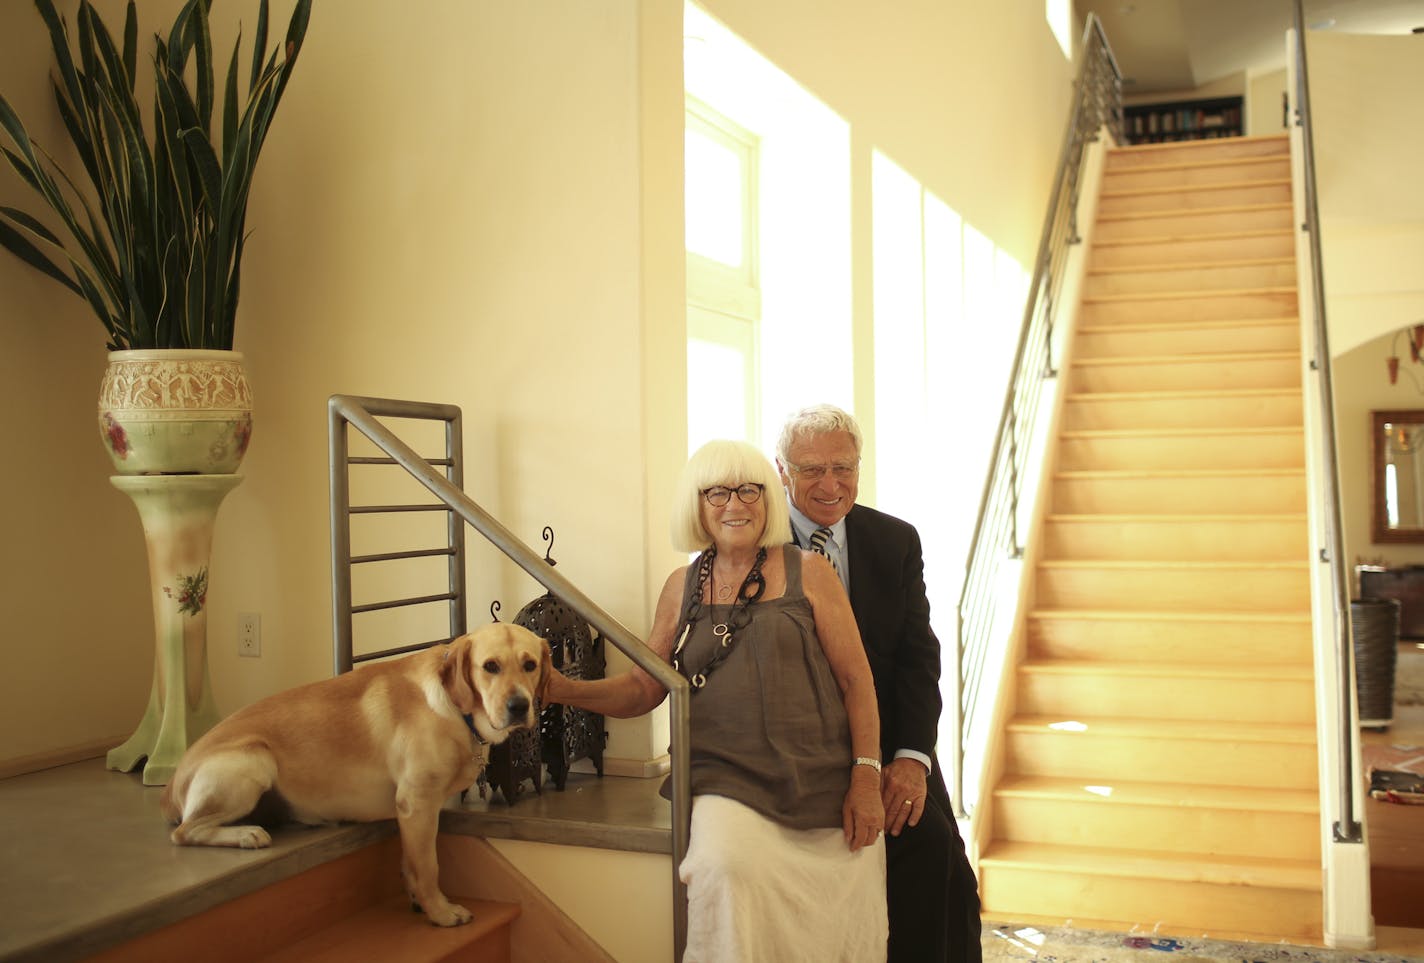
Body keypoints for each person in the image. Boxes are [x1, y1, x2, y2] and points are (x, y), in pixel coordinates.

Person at [545, 439, 889, 962]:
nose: (735, 504)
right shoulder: (680, 586)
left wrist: (866, 777)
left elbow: (856, 682)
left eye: (749, 490)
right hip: (723, 777)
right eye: (717, 492)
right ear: (696, 506)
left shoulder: (810, 572)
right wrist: (563, 689)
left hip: (821, 776)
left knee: (838, 909)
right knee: (722, 870)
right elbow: (645, 686)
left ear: (769, 498)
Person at [776, 404, 983, 963]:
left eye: (843, 467)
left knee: (945, 865)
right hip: (799, 750)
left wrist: (912, 758)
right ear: (781, 471)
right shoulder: (756, 550)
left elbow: (919, 657)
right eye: (811, 469)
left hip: (891, 740)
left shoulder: (895, 541)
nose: (830, 484)